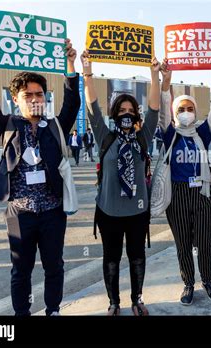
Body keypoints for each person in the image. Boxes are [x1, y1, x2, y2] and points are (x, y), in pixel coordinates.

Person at [0, 31, 80, 316]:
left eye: (39, 94)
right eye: (27, 94)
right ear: (16, 99)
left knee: (54, 265)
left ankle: (53, 309)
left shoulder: (55, 126)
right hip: (19, 214)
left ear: (45, 97)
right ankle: (22, 314)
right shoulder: (7, 124)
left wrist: (70, 66)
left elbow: (72, 103)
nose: (34, 99)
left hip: (52, 212)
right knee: (21, 269)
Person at [80, 50, 160, 316]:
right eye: (122, 110)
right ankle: (113, 302)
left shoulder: (143, 137)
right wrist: (88, 71)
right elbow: (92, 107)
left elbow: (154, 109)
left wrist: (154, 74)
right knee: (111, 258)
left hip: (137, 211)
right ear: (114, 114)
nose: (127, 114)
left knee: (137, 257)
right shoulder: (105, 135)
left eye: (131, 111)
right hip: (108, 212)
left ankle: (137, 299)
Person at [159, 57, 211, 306]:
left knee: (205, 241)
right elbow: (162, 108)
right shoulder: (170, 133)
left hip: (202, 191)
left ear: (195, 111)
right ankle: (188, 283)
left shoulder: (203, 131)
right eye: (180, 109)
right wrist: (166, 81)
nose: (185, 113)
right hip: (178, 194)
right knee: (183, 242)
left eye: (189, 109)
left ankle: (207, 279)